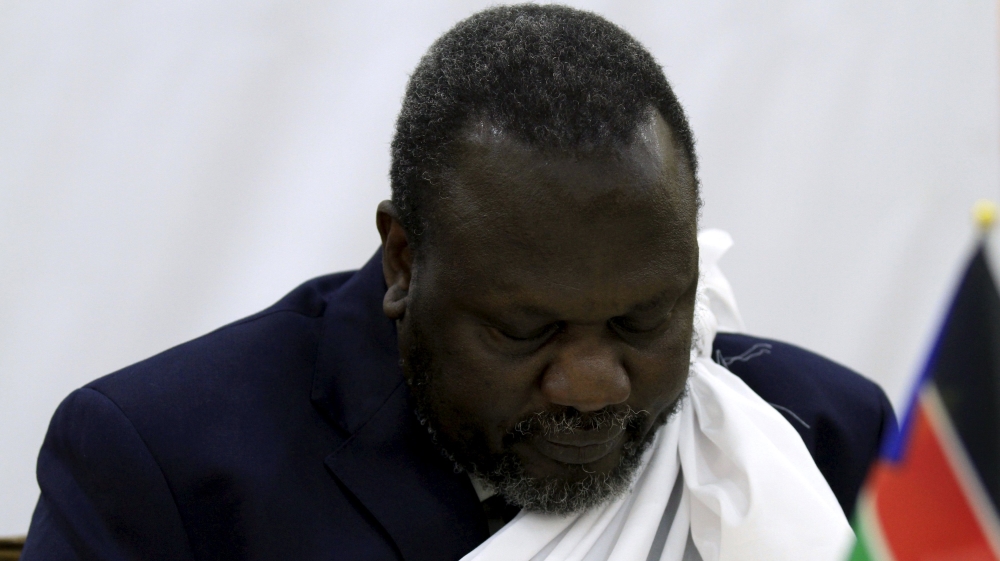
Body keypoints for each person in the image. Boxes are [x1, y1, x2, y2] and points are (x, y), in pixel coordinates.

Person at [20, 5, 895, 560]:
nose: (592, 384)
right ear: (405, 260)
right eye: (526, 330)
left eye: (640, 321)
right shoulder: (164, 469)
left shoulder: (815, 446)